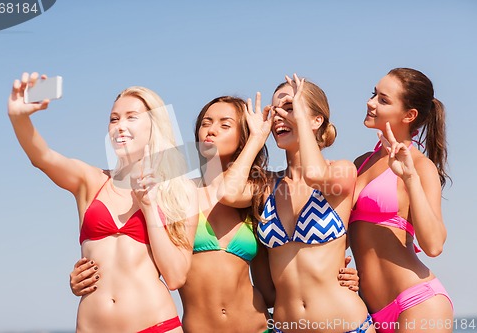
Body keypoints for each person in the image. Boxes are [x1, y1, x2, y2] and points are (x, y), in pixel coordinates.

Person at [70, 95, 361, 333]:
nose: (211, 129)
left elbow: (271, 286)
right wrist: (87, 279)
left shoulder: (256, 196)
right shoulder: (174, 193)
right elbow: (133, 252)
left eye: (225, 124)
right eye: (206, 122)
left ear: (243, 134)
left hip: (259, 326)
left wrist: (334, 274)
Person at [8, 72, 198, 333]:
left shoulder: (181, 192)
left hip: (156, 325)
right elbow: (42, 157)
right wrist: (19, 118)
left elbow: (176, 276)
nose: (120, 125)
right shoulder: (91, 180)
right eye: (113, 119)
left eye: (132, 117)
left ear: (154, 125)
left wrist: (150, 207)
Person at [217, 74, 375, 333]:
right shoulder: (267, 185)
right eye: (276, 110)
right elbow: (227, 193)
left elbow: (314, 175)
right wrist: (257, 138)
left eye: (290, 107)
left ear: (316, 120)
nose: (280, 115)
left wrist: (300, 119)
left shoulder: (342, 171)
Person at [348, 68, 453, 333]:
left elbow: (433, 245)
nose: (371, 103)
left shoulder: (420, 166)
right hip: (368, 313)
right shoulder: (360, 164)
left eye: (383, 99)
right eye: (374, 94)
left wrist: (410, 179)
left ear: (409, 115)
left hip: (418, 304)